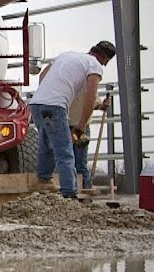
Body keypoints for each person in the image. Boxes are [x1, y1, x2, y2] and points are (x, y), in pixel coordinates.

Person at [29, 40, 116, 200]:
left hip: (36, 103)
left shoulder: (67, 55)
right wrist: (81, 125)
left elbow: (42, 75)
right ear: (105, 59)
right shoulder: (95, 66)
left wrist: (48, 94)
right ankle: (69, 192)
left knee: (46, 144)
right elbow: (90, 97)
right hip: (56, 106)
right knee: (65, 151)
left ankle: (44, 180)